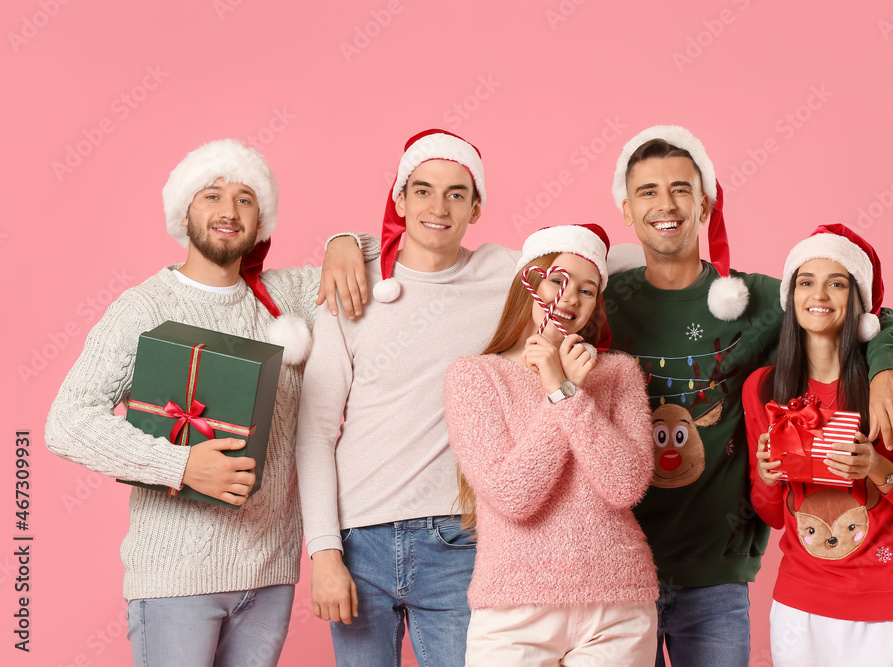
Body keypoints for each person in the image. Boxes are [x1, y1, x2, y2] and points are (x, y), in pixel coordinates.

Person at [297, 130, 643, 665]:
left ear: (476, 206)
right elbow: (315, 429)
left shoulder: (509, 276)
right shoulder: (352, 287)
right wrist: (323, 550)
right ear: (399, 199)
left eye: (457, 193)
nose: (438, 207)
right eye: (422, 191)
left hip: (458, 537)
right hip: (358, 535)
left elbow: (576, 270)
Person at [603, 125, 893, 666]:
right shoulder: (603, 302)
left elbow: (859, 313)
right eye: (648, 191)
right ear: (627, 210)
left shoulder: (755, 303)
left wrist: (889, 362)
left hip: (716, 575)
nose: (666, 204)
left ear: (704, 202)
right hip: (614, 572)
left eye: (681, 188)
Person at [43, 139, 367, 667]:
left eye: (245, 198)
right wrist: (181, 464)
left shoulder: (288, 298)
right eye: (211, 194)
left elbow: (402, 253)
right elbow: (67, 422)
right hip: (175, 579)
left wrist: (343, 241)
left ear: (260, 219)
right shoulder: (144, 307)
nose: (227, 210)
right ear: (185, 210)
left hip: (270, 577)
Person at [443, 223, 660, 665]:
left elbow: (625, 486)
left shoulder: (617, 373)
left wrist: (565, 391)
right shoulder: (474, 376)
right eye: (558, 281)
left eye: (587, 290)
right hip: (513, 607)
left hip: (615, 602)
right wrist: (557, 390)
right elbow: (513, 495)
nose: (571, 299)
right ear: (530, 282)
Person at [742, 224, 893, 666]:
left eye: (837, 283)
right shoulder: (762, 389)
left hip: (890, 608)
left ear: (858, 302)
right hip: (801, 607)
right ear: (791, 297)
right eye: (806, 282)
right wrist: (767, 476)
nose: (820, 295)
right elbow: (774, 516)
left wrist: (875, 468)